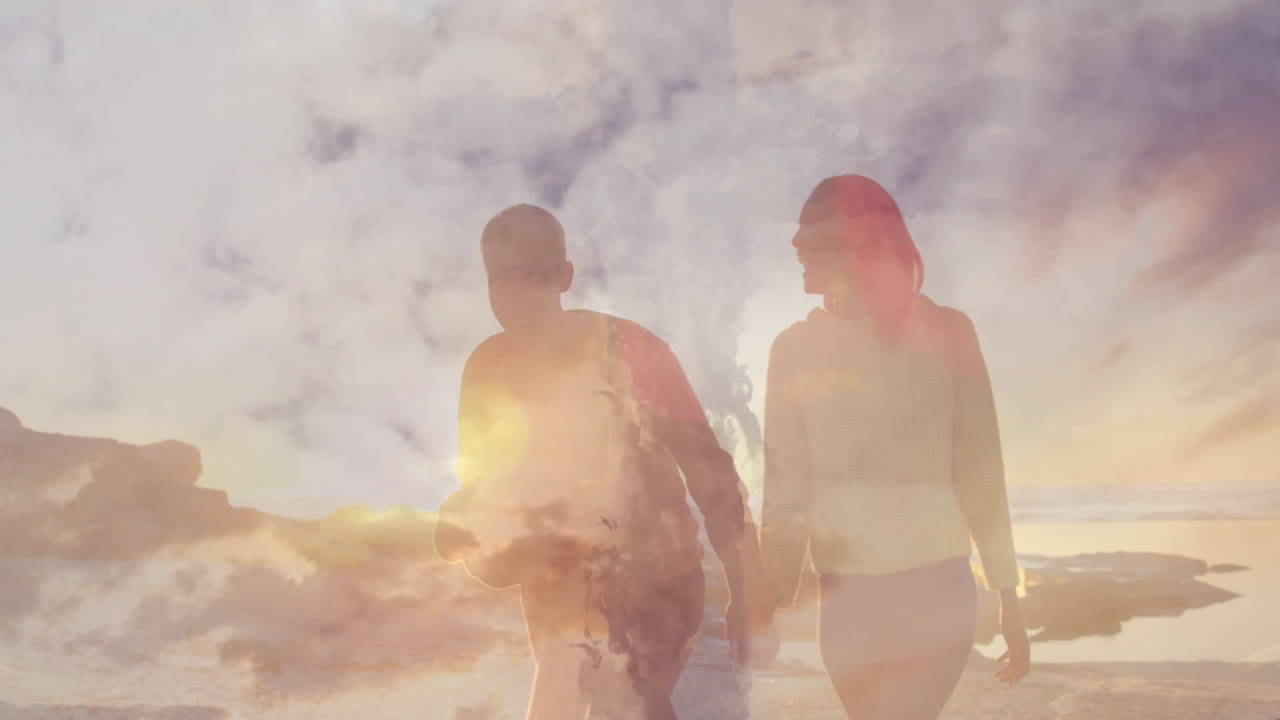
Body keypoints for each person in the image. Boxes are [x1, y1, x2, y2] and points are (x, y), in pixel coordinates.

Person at [434, 204, 776, 719]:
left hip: (657, 582)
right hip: (556, 590)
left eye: (534, 277)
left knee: (625, 706)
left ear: (566, 277)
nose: (516, 296)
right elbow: (485, 493)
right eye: (502, 280)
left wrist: (750, 589)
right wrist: (465, 529)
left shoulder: (631, 348)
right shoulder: (489, 366)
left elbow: (708, 467)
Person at [759, 175, 1031, 719]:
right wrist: (769, 599)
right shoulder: (793, 348)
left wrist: (1009, 597)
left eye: (811, 238)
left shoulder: (948, 332)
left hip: (935, 592)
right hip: (844, 600)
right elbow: (787, 485)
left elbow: (981, 469)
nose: (795, 250)